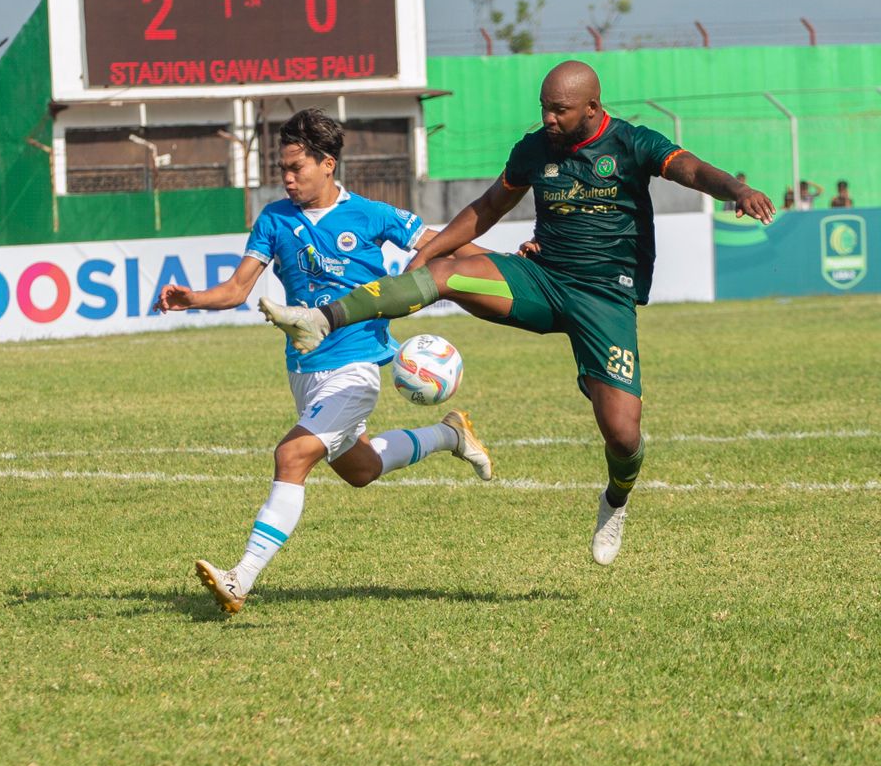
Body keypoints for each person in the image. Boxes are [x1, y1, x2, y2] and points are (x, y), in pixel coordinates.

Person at [262, 62, 776, 567]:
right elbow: (487, 208)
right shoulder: (534, 150)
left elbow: (691, 169)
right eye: (544, 109)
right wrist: (427, 255)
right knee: (446, 272)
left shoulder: (631, 143)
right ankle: (324, 318)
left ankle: (616, 501)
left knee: (622, 434)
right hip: (543, 280)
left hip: (605, 300)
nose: (548, 119)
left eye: (559, 110)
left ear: (592, 108)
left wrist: (738, 190)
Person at [155, 109, 494, 615]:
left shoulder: (373, 215)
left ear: (328, 163)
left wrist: (511, 262)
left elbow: (444, 244)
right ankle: (450, 434)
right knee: (362, 469)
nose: (287, 178)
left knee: (291, 457)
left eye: (296, 168)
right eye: (282, 170)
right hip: (304, 368)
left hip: (356, 367)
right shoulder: (274, 219)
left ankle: (240, 577)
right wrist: (193, 299)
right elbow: (236, 289)